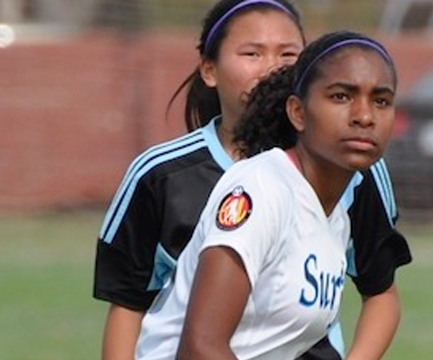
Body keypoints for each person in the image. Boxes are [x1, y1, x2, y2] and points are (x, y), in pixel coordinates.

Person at [92, 1, 411, 359]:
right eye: (252, 53)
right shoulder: (255, 186)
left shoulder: (340, 183)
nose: (364, 116)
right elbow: (194, 342)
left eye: (287, 52)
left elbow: (381, 291)